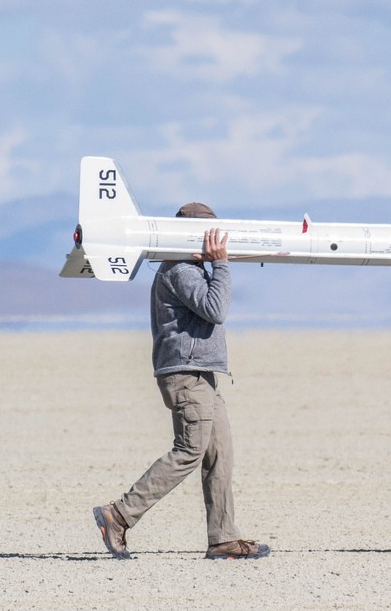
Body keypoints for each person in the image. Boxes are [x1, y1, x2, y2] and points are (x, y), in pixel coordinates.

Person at [93, 202, 269, 561]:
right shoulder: (181, 270)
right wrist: (221, 264)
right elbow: (216, 309)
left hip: (202, 374)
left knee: (220, 455)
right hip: (187, 375)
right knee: (189, 451)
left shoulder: (189, 268)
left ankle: (223, 538)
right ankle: (120, 514)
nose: (215, 241)